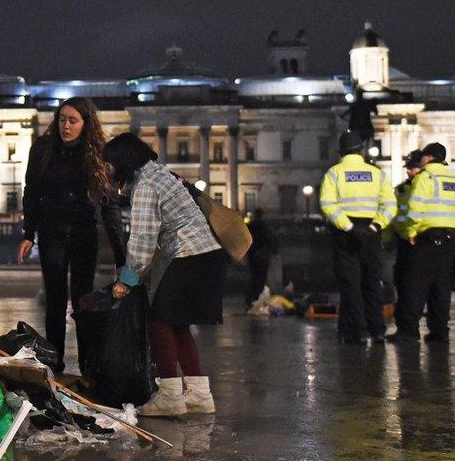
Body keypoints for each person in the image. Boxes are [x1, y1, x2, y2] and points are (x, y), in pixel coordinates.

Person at [107, 133, 226, 417]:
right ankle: (199, 395)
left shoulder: (146, 185)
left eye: (110, 164)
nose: (109, 170)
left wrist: (126, 280)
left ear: (124, 160)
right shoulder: (161, 175)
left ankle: (171, 395)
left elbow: (143, 239)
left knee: (159, 323)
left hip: (189, 254)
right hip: (206, 254)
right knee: (178, 324)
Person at [18, 97, 125, 373]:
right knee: (54, 298)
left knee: (82, 299)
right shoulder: (42, 148)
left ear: (85, 123)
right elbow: (31, 192)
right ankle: (54, 362)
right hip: (51, 230)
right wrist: (28, 232)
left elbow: (109, 205)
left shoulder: (99, 154)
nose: (65, 125)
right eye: (62, 119)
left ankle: (88, 364)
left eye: (72, 120)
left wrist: (120, 253)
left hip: (83, 231)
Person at [319, 131, 396, 344]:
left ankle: (358, 331)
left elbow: (328, 205)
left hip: (346, 234)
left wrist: (349, 226)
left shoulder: (334, 173)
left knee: (350, 283)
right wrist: (375, 226)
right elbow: (390, 206)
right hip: (372, 232)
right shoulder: (378, 174)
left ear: (342, 153)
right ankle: (378, 330)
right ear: (361, 151)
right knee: (372, 281)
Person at [390, 142, 455, 343]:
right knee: (441, 287)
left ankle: (408, 331)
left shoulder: (425, 177)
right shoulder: (453, 177)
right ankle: (439, 332)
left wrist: (410, 232)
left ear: (427, 158)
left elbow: (415, 209)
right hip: (451, 240)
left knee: (414, 285)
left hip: (426, 238)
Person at [388, 150, 423, 310]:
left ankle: (414, 310)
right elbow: (391, 215)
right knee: (400, 277)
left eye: (412, 167)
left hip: (421, 240)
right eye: (408, 168)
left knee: (416, 280)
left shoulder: (426, 187)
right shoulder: (399, 190)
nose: (408, 171)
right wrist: (386, 239)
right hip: (402, 240)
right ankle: (405, 310)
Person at [245, 208, 277, 307]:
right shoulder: (264, 226)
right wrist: (272, 252)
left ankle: (251, 298)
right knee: (261, 277)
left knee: (254, 276)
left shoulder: (250, 226)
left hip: (253, 255)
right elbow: (270, 240)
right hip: (262, 255)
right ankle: (257, 297)